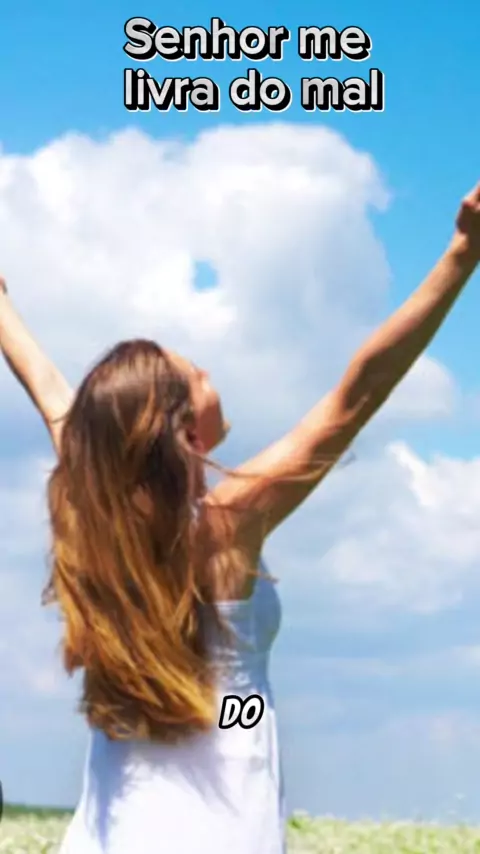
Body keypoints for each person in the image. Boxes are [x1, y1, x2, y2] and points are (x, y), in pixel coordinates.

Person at [0, 183, 479, 854]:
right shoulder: (225, 528)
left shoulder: (94, 513)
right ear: (185, 434)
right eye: (201, 375)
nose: (212, 376)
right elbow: (357, 393)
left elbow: (49, 392)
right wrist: (463, 252)